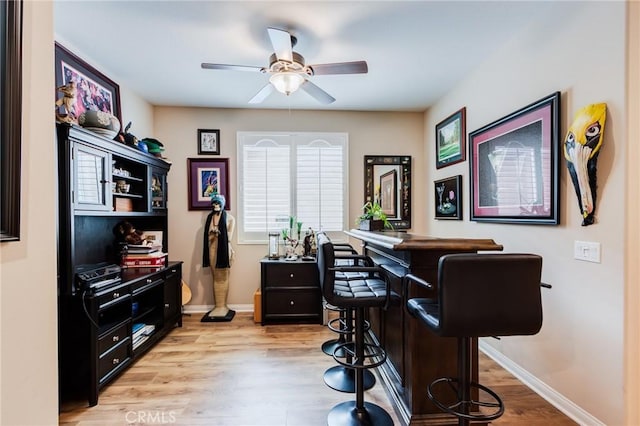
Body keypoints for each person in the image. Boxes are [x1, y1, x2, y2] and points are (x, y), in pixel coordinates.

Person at [202, 193, 236, 321]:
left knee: (222, 277)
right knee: (215, 276)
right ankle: (218, 306)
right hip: (212, 249)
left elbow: (229, 237)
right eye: (214, 203)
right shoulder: (209, 218)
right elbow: (207, 237)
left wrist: (219, 233)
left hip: (224, 249)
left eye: (218, 203)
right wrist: (212, 234)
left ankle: (222, 306)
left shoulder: (230, 219)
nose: (215, 206)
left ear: (222, 204)